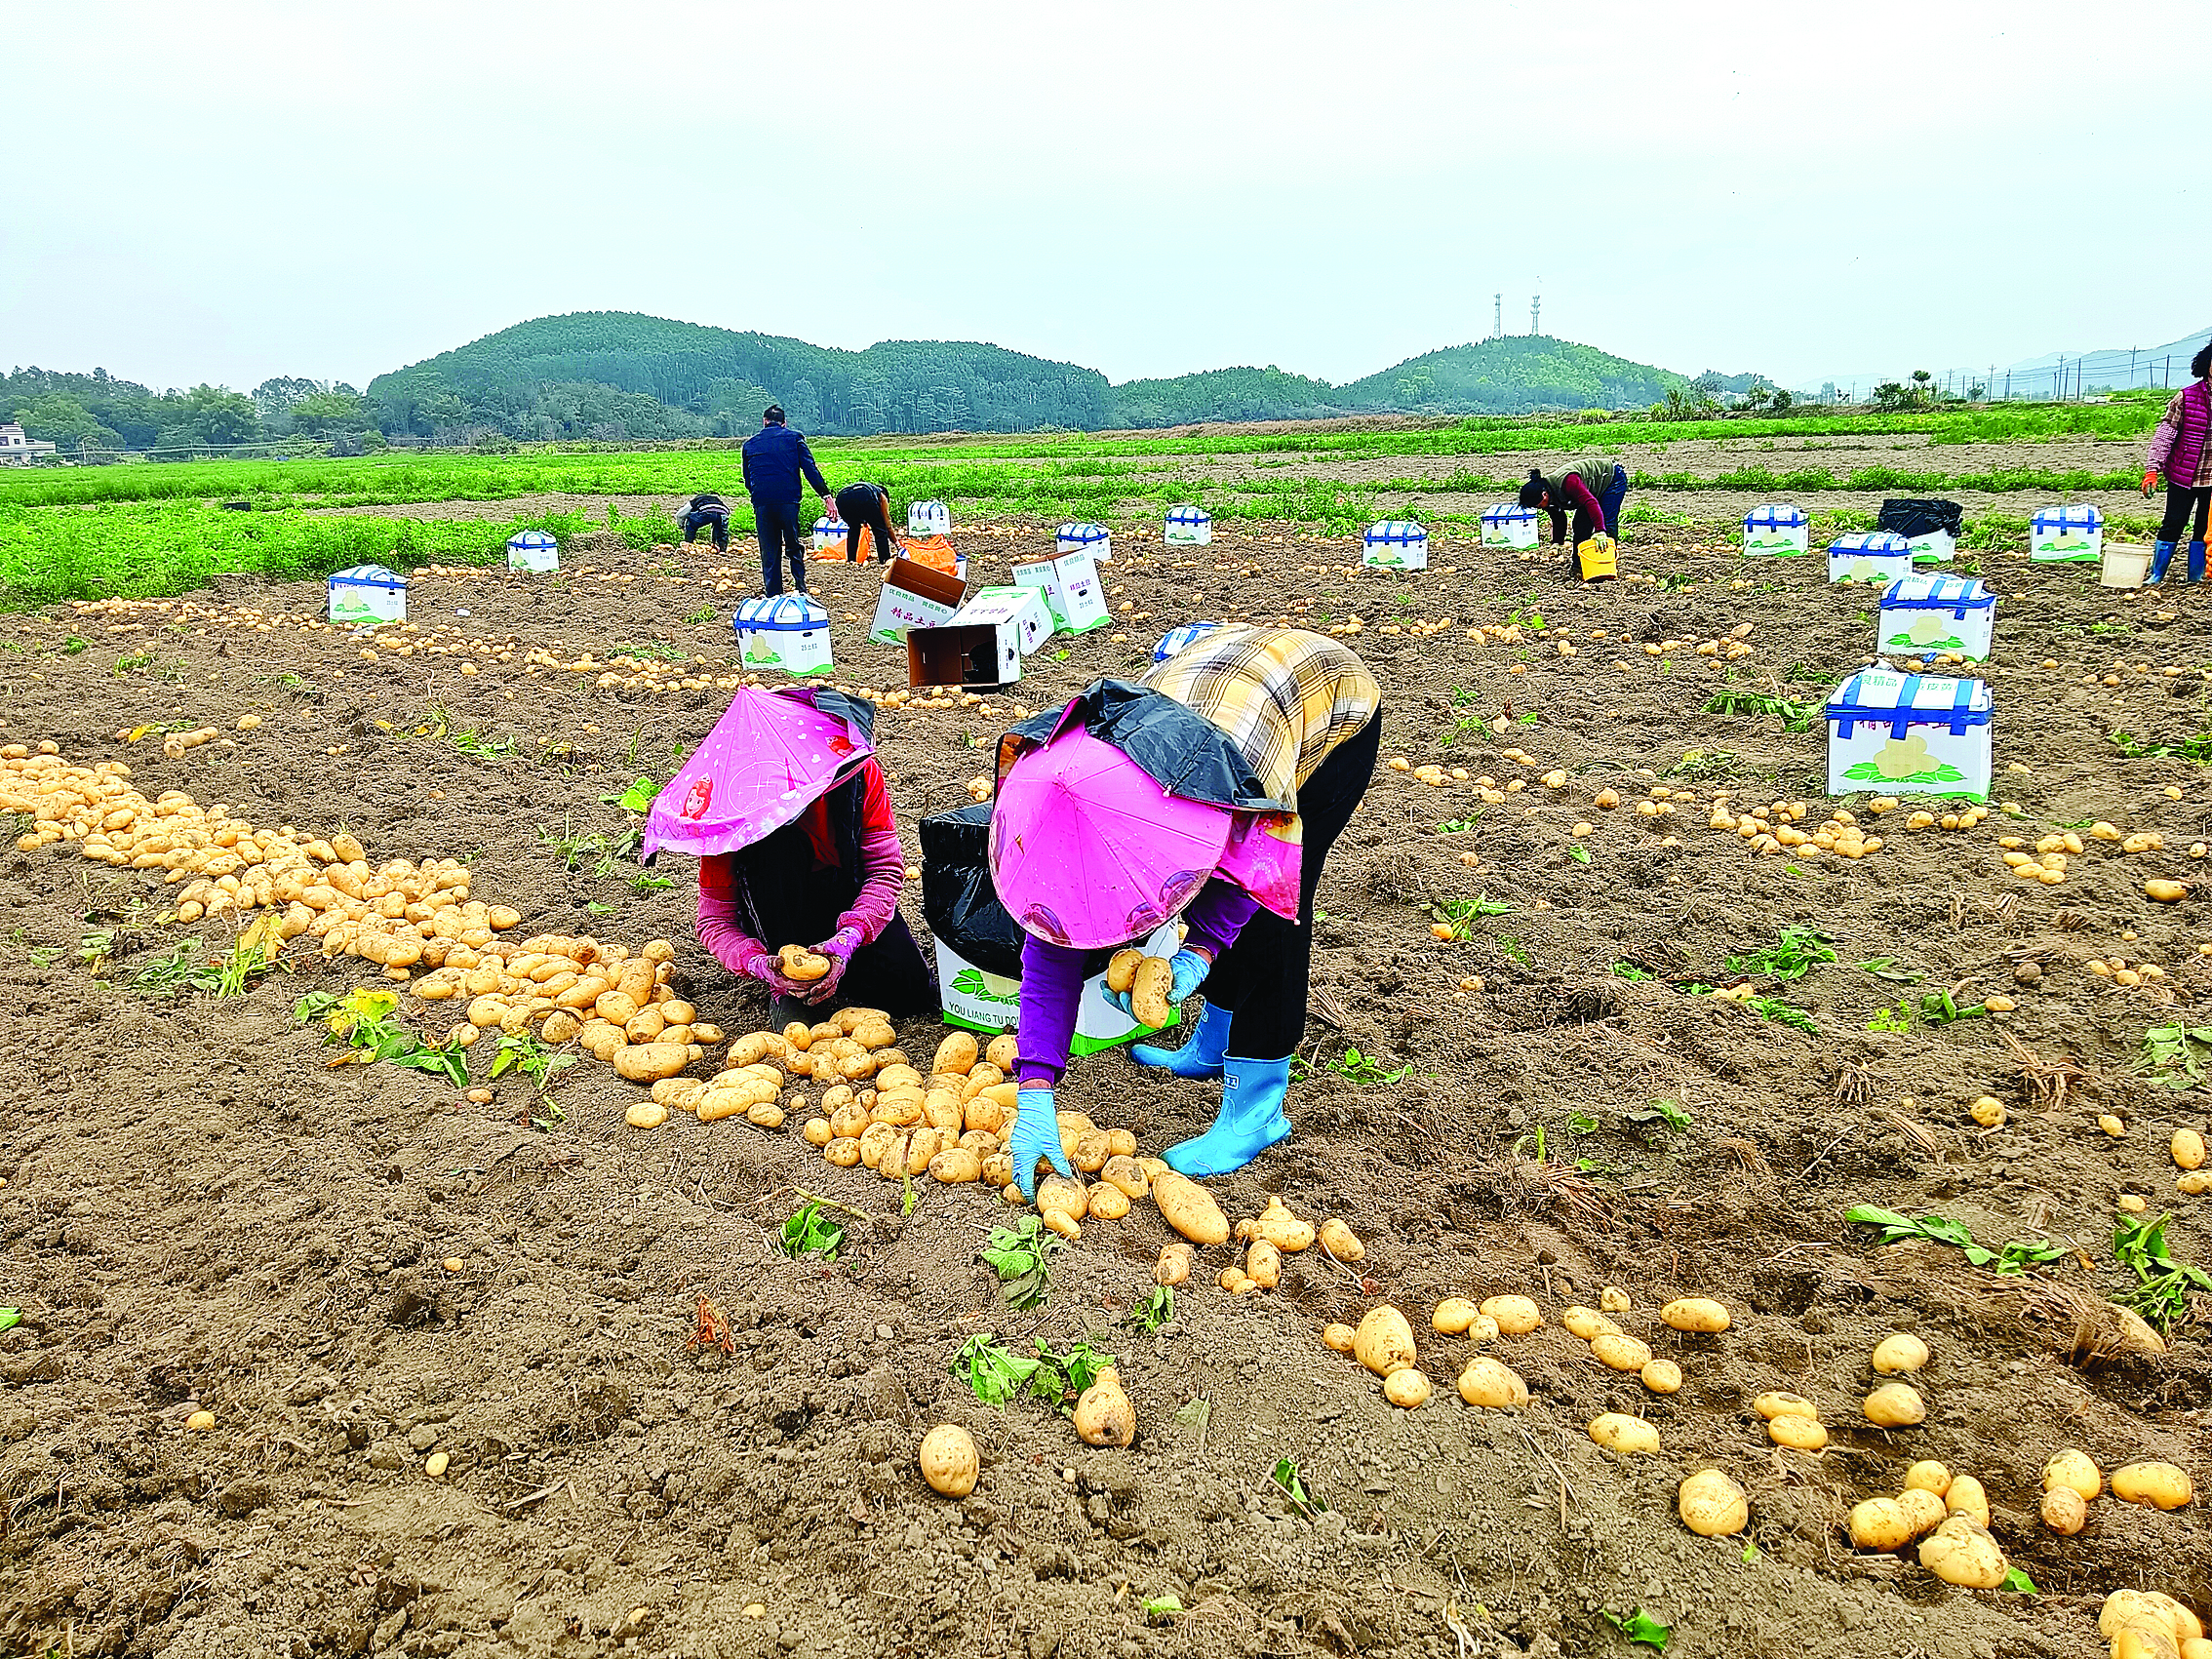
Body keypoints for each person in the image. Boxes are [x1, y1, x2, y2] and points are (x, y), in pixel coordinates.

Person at [990, 624, 1381, 1190]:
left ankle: (1257, 1110)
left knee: (1272, 918)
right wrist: (1035, 1088)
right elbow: (1050, 951)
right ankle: (1214, 1043)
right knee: (1211, 893)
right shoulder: (1063, 790)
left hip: (1324, 706)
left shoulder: (1230, 788)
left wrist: (1199, 951)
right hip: (1215, 688)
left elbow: (1254, 875)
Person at [684, 689, 934, 1025]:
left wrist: (850, 937)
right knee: (780, 849)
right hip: (778, 924)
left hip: (849, 900)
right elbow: (715, 921)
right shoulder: (728, 808)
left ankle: (842, 967)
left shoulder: (859, 773)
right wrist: (757, 963)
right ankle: (784, 989)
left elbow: (884, 871)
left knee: (912, 991)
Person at [740, 405, 834, 597]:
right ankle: (800, 588)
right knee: (793, 545)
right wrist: (826, 495)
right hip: (788, 501)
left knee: (769, 551)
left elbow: (748, 479)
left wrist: (758, 496)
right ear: (784, 423)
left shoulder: (750, 445)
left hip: (762, 502)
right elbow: (810, 469)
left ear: (764, 421)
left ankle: (773, 594)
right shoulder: (794, 438)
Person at [2144, 341, 2212, 584]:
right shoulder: (2186, 397)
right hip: (2184, 475)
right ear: (2207, 365)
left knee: (2204, 528)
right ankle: (2157, 574)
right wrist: (2152, 469)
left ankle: (2196, 577)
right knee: (2173, 522)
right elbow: (2165, 435)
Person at [1520, 460, 1628, 572]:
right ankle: (1579, 565)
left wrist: (1600, 530)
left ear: (1544, 495)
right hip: (1591, 490)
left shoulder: (1568, 482)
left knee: (1607, 523)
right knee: (1580, 526)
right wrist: (1557, 542)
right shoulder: (1547, 499)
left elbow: (1590, 502)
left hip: (1611, 478)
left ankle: (1607, 566)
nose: (1540, 508)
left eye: (1538, 505)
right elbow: (1558, 518)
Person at [833, 480, 903, 564]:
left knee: (854, 528)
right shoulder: (882, 495)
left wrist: (865, 518)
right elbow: (887, 524)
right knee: (880, 530)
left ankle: (851, 560)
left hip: (841, 499)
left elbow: (857, 505)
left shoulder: (869, 488)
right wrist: (897, 544)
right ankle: (884, 559)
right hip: (864, 496)